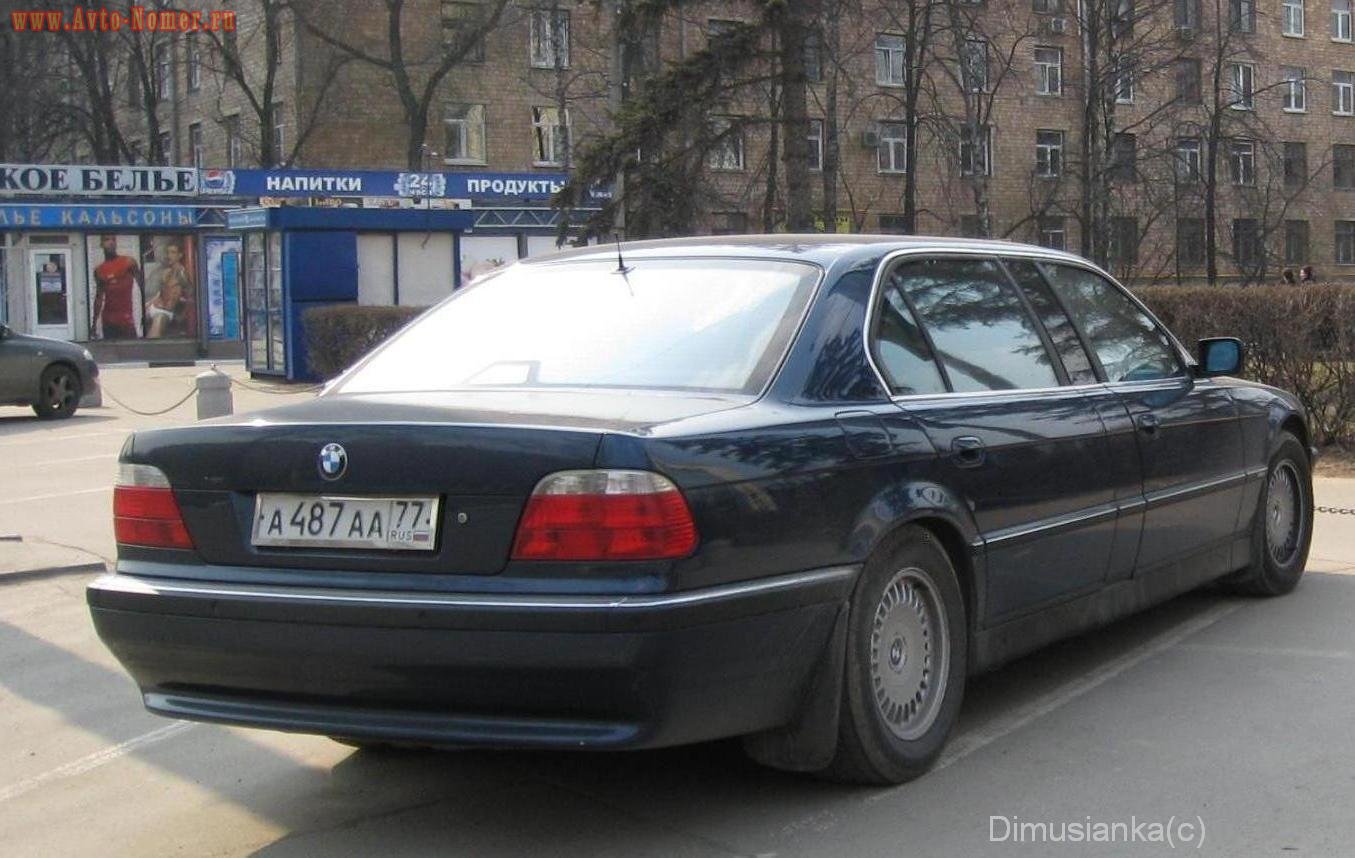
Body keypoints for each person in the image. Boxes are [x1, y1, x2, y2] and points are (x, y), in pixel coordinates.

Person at [91, 235, 142, 339]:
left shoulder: (128, 262)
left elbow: (142, 285)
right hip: (108, 321)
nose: (111, 242)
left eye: (113, 240)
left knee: (133, 351)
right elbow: (99, 298)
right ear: (101, 244)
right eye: (107, 240)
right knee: (110, 353)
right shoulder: (99, 270)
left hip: (126, 320)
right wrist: (94, 323)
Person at [145, 241, 192, 338]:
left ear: (180, 255)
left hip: (165, 312)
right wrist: (149, 303)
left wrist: (182, 317)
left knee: (156, 327)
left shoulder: (182, 274)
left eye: (173, 252)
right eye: (168, 252)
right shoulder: (166, 272)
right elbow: (161, 292)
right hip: (155, 306)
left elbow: (192, 296)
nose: (169, 255)